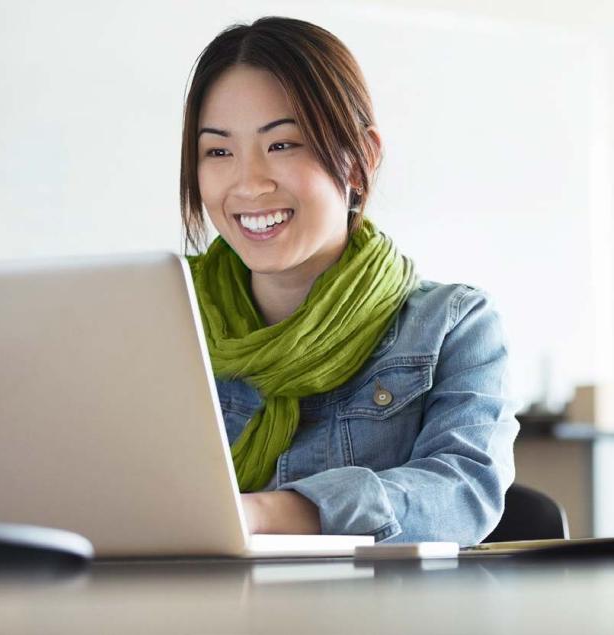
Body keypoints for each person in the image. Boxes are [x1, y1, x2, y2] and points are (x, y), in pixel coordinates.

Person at [180, 16, 519, 546]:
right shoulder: (166, 319)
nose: (248, 183)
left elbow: (463, 492)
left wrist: (269, 514)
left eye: (283, 144)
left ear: (360, 161)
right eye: (218, 151)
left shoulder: (453, 324)